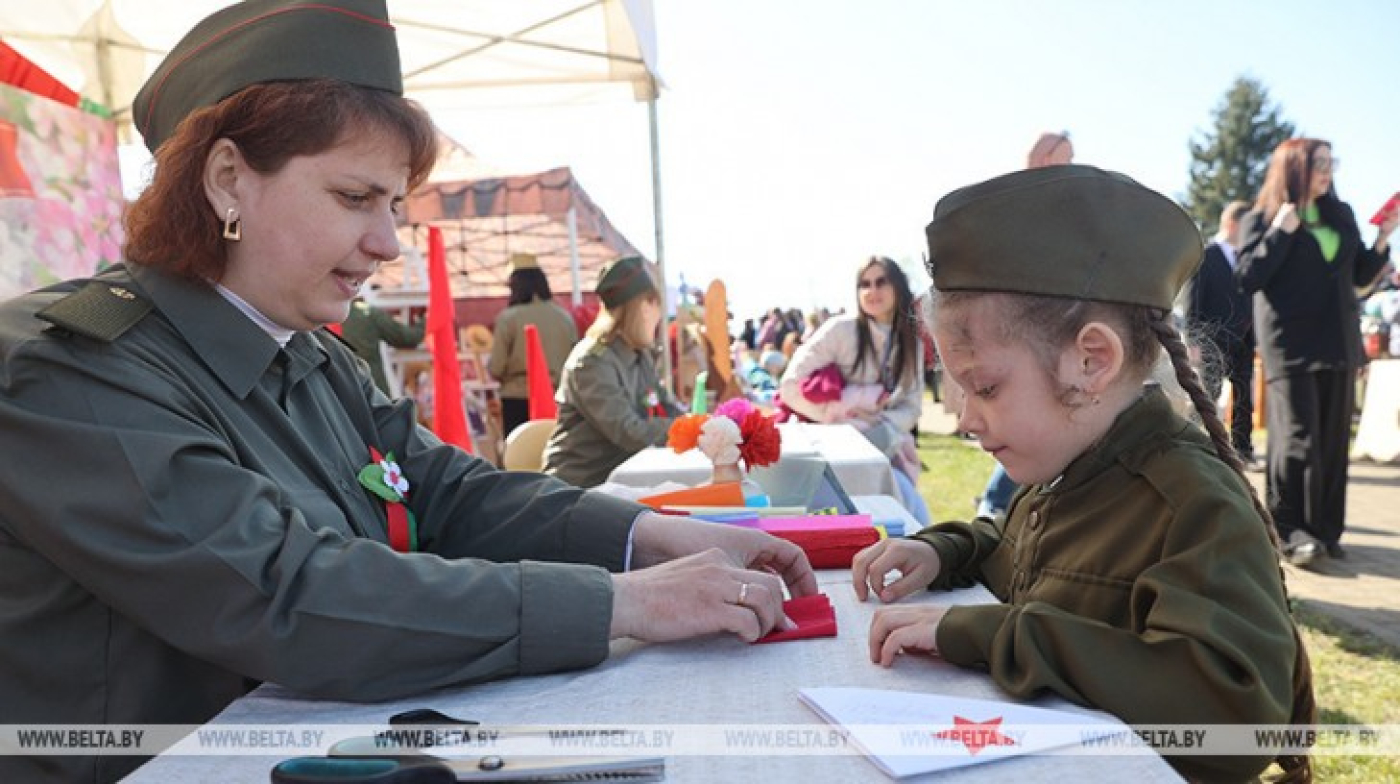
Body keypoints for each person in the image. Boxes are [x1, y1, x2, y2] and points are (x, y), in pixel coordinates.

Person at [0, 3, 814, 782]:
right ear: (225, 181)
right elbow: (290, 594)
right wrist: (620, 602)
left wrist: (652, 538)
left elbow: (449, 493)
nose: (387, 242)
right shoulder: (69, 369)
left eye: (393, 205)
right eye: (354, 198)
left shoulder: (310, 357)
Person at [854, 165, 1316, 784]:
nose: (965, 419)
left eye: (984, 386)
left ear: (1091, 361)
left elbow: (1239, 722)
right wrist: (942, 552)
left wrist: (995, 636)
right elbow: (1011, 551)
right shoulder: (1066, 471)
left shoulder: (1192, 504)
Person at [1237, 138, 1397, 565]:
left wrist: (1382, 238)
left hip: (1339, 342)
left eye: (1331, 162)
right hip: (1290, 345)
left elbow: (1359, 274)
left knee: (1330, 442)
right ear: (1293, 167)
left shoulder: (1339, 215)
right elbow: (1248, 276)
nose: (1328, 171)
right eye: (1319, 163)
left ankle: (1326, 530)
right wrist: (1279, 234)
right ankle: (1290, 530)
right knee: (1298, 439)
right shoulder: (1264, 218)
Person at [780, 256, 929, 525]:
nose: (872, 291)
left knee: (913, 516)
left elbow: (912, 404)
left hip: (887, 445)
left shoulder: (912, 340)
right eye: (864, 284)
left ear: (898, 286)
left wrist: (882, 427)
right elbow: (790, 386)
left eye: (881, 282)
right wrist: (843, 417)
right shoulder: (840, 330)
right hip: (829, 451)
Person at [974, 130, 1077, 520]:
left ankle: (1003, 512)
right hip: (1019, 342)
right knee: (1024, 430)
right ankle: (994, 512)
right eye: (1060, 158)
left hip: (1055, 339)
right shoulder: (1014, 211)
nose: (1066, 168)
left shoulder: (1068, 216)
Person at [543, 255, 683, 487]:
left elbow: (665, 406)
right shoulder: (591, 362)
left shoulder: (640, 355)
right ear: (641, 307)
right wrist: (686, 428)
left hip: (620, 480)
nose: (659, 316)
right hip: (579, 485)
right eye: (655, 304)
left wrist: (697, 424)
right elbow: (628, 432)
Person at [1183, 200, 1258, 466]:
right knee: (1207, 396)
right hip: (1212, 341)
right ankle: (1192, 443)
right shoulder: (1205, 256)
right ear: (1232, 223)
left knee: (1244, 398)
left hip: (1244, 341)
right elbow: (1193, 302)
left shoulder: (1249, 259)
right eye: (1249, 225)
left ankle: (1243, 450)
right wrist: (1193, 342)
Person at [487, 252, 579, 437]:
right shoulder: (564, 318)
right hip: (558, 399)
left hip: (517, 400)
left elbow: (496, 367)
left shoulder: (508, 319)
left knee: (519, 459)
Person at [339, 291, 424, 395]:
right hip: (372, 392)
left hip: (338, 393)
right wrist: (426, 320)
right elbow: (407, 338)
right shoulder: (367, 312)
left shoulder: (322, 316)